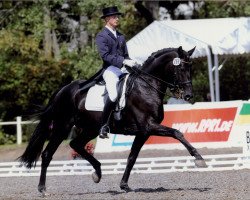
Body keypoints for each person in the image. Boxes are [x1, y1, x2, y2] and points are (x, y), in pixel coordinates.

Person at [96, 6, 137, 139]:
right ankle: (103, 126)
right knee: (113, 96)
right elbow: (105, 55)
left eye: (117, 16)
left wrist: (132, 63)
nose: (117, 19)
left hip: (122, 69)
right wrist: (123, 61)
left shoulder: (120, 36)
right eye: (114, 17)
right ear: (107, 19)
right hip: (110, 70)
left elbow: (126, 55)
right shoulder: (102, 36)